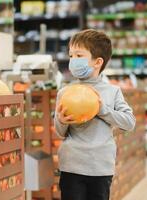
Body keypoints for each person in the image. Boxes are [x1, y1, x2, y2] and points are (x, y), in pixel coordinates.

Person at [55, 29, 136, 200]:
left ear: (97, 62)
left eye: (79, 56)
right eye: (71, 56)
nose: (73, 61)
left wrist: (102, 110)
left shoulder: (112, 92)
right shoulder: (65, 92)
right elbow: (60, 132)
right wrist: (61, 121)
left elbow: (129, 122)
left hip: (101, 166)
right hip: (72, 165)